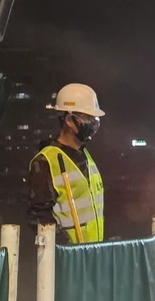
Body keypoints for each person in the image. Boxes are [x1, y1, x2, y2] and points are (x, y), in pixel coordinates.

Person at [28, 83, 106, 244]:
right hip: (67, 261)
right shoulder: (45, 162)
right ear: (69, 120)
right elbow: (39, 217)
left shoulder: (85, 156)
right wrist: (67, 250)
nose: (92, 124)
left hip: (93, 255)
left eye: (94, 118)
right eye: (87, 117)